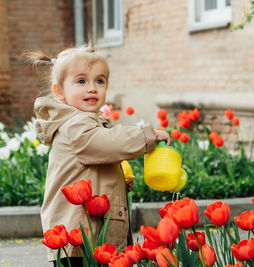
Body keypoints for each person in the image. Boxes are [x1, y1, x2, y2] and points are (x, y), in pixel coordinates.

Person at [28, 44, 170, 266]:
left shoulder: (89, 122)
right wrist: (146, 136)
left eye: (99, 81)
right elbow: (109, 143)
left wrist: (117, 183)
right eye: (81, 81)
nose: (92, 88)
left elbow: (96, 164)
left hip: (90, 234)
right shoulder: (75, 125)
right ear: (59, 92)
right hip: (78, 238)